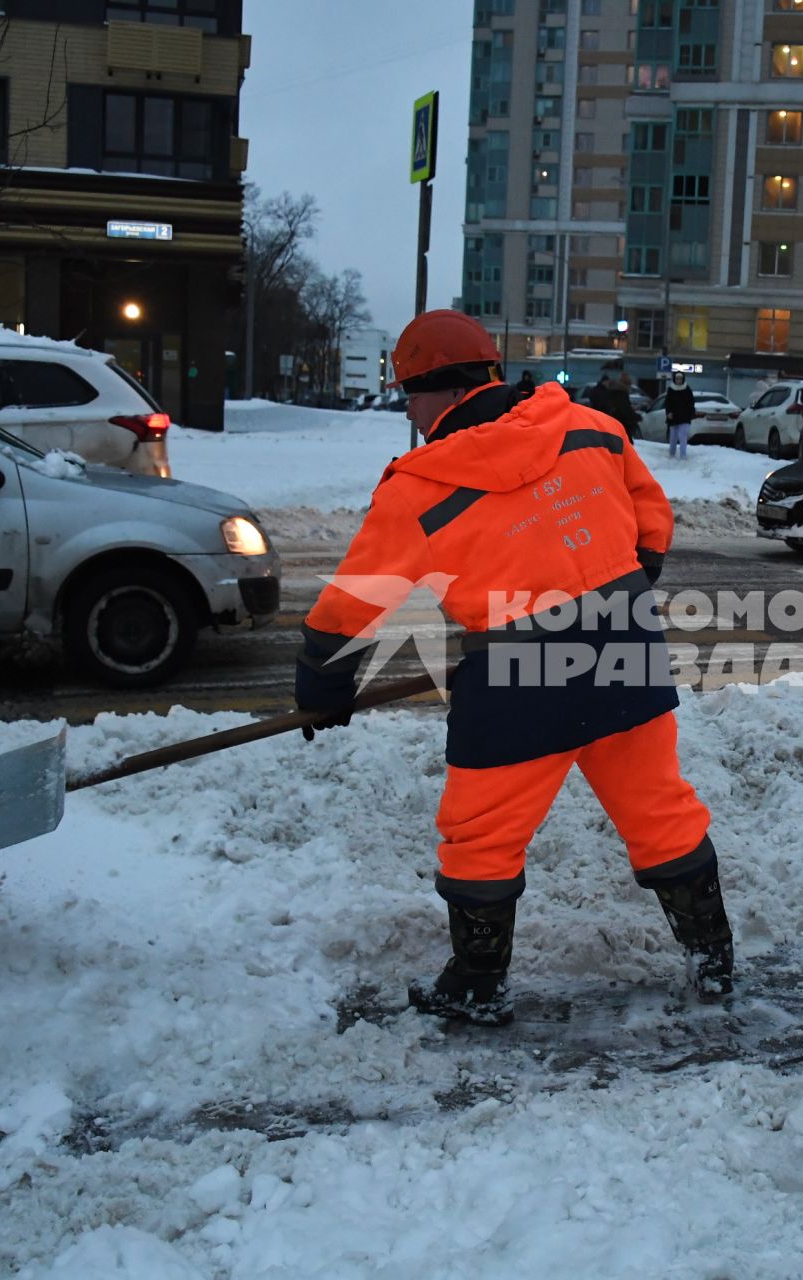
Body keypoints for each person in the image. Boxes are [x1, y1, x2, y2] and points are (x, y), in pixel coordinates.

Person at [295, 310, 735, 1025]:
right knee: (661, 812)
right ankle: (713, 958)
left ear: (439, 391)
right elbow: (649, 513)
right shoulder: (593, 428)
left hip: (514, 681)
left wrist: (323, 679)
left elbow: (355, 600)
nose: (408, 409)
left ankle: (475, 987)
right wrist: (627, 579)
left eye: (409, 392)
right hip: (624, 651)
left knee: (480, 834)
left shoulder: (420, 487)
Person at [587, 365, 640, 440]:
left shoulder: (610, 391)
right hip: (620, 426)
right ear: (626, 385)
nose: (630, 388)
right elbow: (624, 410)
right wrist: (637, 417)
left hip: (610, 424)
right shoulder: (621, 393)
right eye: (629, 385)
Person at [663, 369, 697, 460]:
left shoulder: (687, 389)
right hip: (673, 417)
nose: (679, 380)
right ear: (674, 379)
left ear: (683, 379)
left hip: (685, 417)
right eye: (677, 378)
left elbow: (691, 402)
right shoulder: (671, 389)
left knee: (683, 436)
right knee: (673, 437)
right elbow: (667, 403)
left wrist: (690, 413)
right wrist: (669, 412)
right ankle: (672, 454)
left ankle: (683, 455)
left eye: (680, 378)